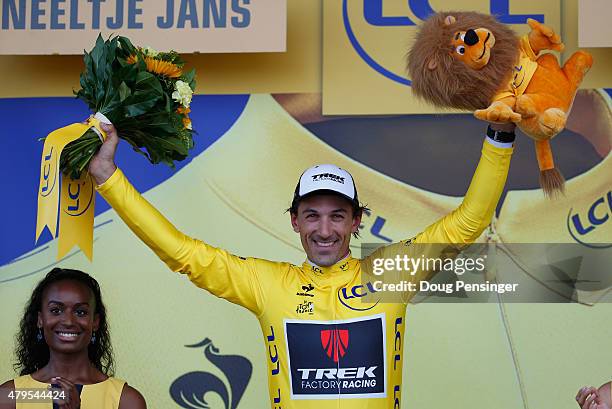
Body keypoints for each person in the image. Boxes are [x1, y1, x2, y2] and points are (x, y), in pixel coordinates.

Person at [87, 120, 515, 408]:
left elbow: (467, 223)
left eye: (337, 215)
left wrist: (500, 134)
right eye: (312, 215)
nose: (324, 229)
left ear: (356, 222)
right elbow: (181, 253)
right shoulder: (266, 283)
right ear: (295, 221)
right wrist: (109, 177)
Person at [0, 268, 146, 409]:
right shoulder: (11, 396)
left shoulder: (125, 400)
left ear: (95, 322)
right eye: (55, 310)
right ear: (40, 319)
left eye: (81, 312)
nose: (68, 321)